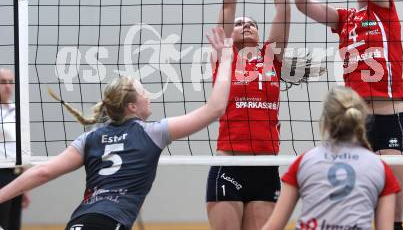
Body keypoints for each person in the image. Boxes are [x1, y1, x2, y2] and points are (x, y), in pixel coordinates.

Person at [0, 27, 233, 230]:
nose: (148, 96)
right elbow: (215, 109)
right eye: (143, 92)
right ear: (132, 106)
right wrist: (225, 59)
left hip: (80, 221)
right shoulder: (153, 133)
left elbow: (43, 172)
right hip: (111, 222)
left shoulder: (90, 138)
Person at [282, 0, 403, 229]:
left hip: (390, 119)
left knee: (393, 215)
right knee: (356, 212)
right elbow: (301, 4)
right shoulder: (345, 18)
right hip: (355, 123)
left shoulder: (385, 10)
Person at [206, 0, 291, 230]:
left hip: (266, 164)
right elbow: (229, 3)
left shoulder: (272, 56)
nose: (246, 25)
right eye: (240, 23)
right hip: (230, 162)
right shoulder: (224, 56)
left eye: (251, 23)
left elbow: (283, 8)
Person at [262, 86, 401, 230]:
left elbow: (273, 226)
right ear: (361, 120)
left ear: (326, 122)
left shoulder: (304, 162)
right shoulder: (379, 168)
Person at [0, 68, 30, 230]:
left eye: (10, 82)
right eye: (3, 82)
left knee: (13, 225)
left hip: (17, 174)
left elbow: (20, 147)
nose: (7, 86)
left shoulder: (17, 111)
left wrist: (25, 185)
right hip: (1, 173)